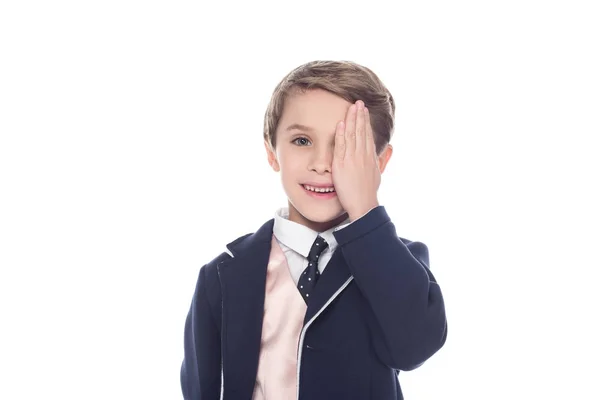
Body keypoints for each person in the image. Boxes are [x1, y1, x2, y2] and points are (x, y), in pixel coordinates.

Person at [180, 60, 447, 400]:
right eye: (302, 140)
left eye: (344, 145)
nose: (321, 163)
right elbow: (201, 388)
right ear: (271, 151)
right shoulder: (222, 275)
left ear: (378, 162)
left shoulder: (398, 261)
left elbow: (415, 347)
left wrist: (365, 208)